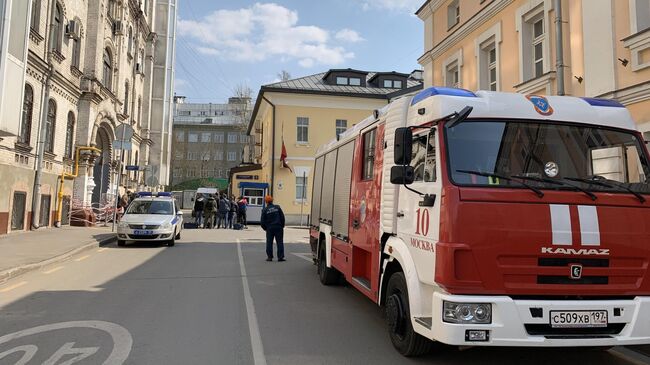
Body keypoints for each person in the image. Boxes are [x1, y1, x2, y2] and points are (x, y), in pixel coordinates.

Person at [260, 195, 285, 261]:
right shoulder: (277, 207)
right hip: (278, 227)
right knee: (279, 242)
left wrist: (265, 228)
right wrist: (282, 225)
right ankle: (280, 257)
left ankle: (270, 257)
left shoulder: (265, 210)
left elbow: (262, 221)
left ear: (266, 202)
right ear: (272, 200)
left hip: (270, 228)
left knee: (269, 242)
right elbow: (282, 217)